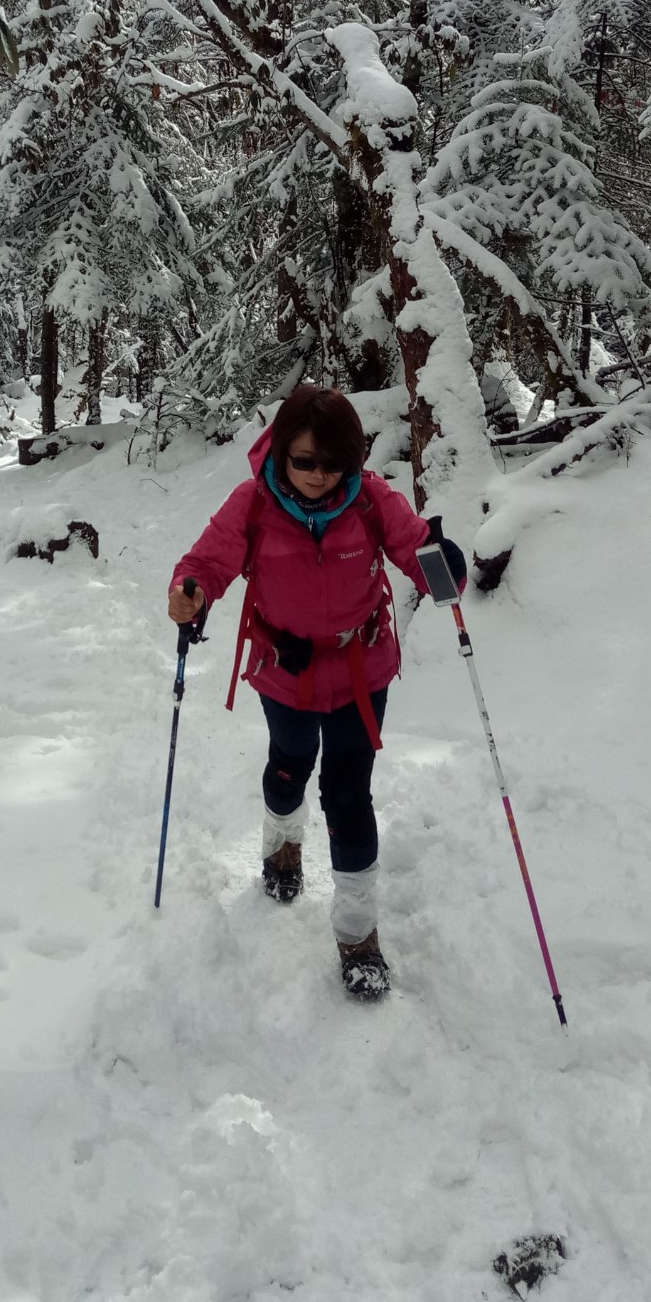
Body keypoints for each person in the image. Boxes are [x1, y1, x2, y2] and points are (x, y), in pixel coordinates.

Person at [168, 384, 466, 999]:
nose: (318, 475)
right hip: (285, 668)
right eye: (303, 461)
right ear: (281, 453)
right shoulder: (252, 504)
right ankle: (283, 845)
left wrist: (446, 566)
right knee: (290, 761)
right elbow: (209, 561)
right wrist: (191, 590)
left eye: (333, 463)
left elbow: (418, 552)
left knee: (349, 790)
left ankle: (358, 933)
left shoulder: (371, 500)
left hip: (362, 668)